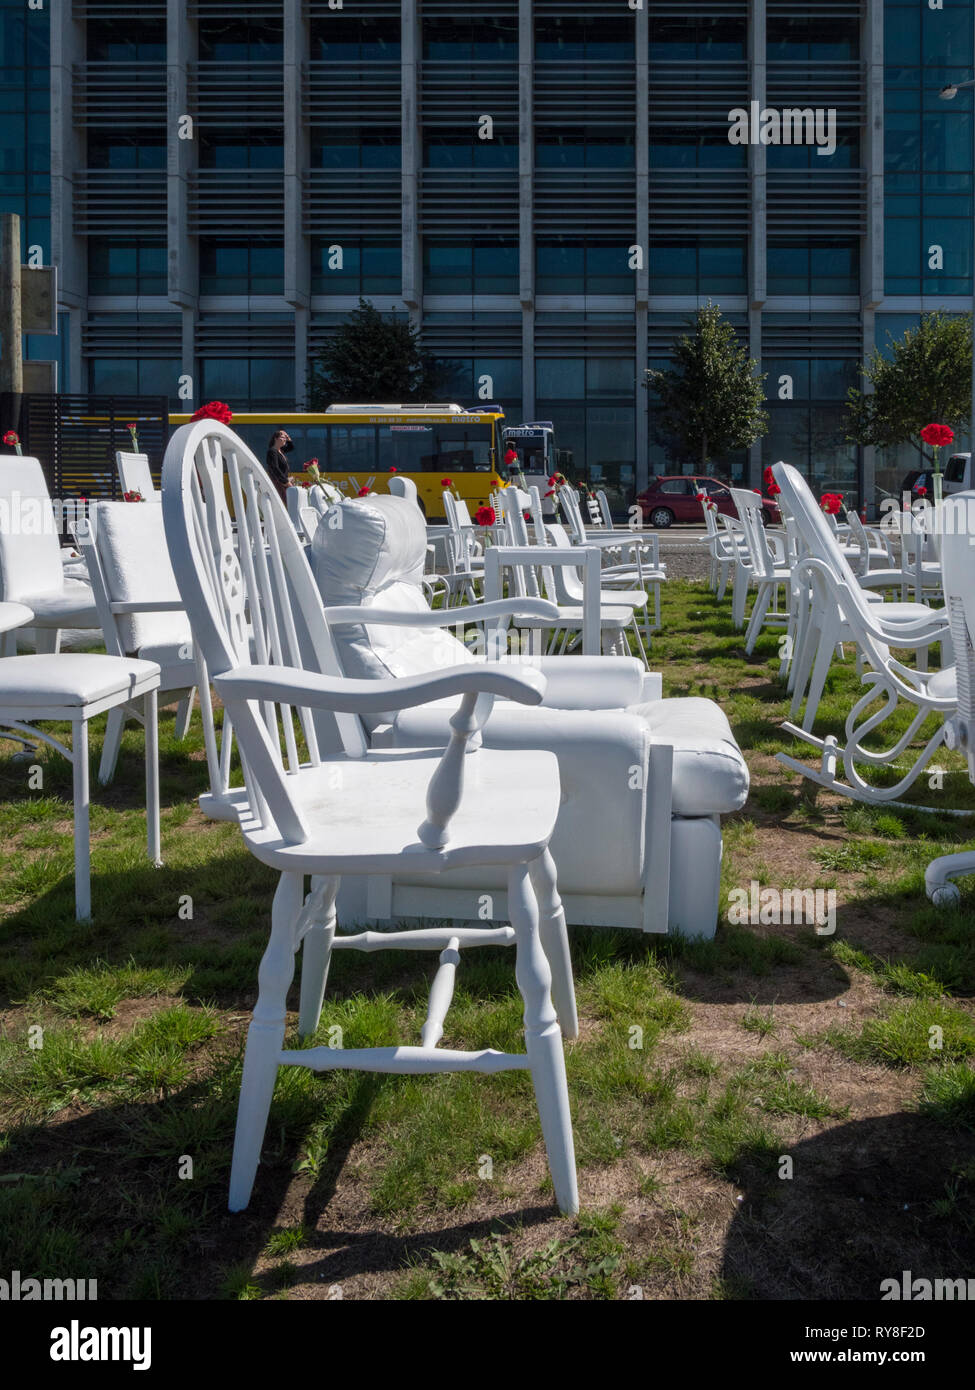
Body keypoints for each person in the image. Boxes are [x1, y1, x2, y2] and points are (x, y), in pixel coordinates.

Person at [265, 428, 294, 504]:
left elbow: (291, 447)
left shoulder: (280, 451)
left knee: (290, 504)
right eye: (282, 438)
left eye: (285, 438)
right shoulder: (272, 451)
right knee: (286, 504)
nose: (285, 440)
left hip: (283, 483)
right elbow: (275, 468)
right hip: (279, 484)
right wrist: (286, 482)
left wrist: (287, 436)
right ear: (275, 439)